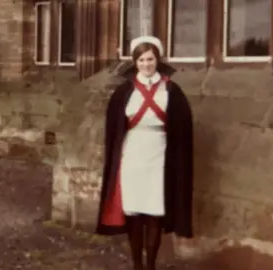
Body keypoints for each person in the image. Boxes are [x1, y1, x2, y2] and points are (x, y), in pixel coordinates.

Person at [95, 35, 194, 270]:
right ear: (134, 62)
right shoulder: (123, 92)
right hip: (132, 156)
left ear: (157, 60)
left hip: (160, 156)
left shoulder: (172, 91)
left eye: (150, 59)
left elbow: (182, 130)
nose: (146, 64)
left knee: (154, 214)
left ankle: (151, 265)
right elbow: (114, 129)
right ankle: (137, 265)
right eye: (141, 60)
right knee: (135, 214)